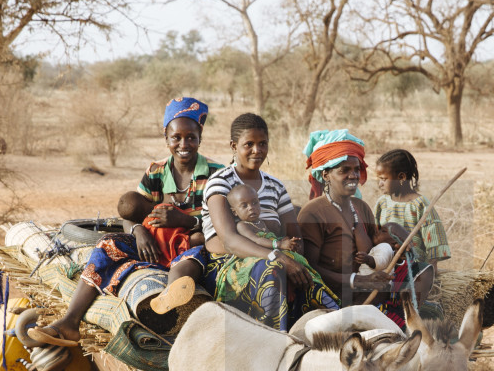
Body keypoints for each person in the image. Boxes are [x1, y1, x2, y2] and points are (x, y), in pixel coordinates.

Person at [29, 97, 220, 346]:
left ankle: (167, 305)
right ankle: (70, 321)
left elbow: (219, 224)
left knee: (196, 248)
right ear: (166, 137)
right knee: (108, 243)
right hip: (151, 245)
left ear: (200, 136)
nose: (184, 144)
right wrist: (139, 230)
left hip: (191, 243)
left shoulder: (217, 174)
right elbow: (130, 213)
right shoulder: (156, 172)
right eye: (176, 137)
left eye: (191, 137)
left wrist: (185, 220)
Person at [158, 113, 338, 331]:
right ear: (234, 146)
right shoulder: (221, 182)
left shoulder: (276, 186)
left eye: (263, 144)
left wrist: (292, 252)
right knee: (271, 271)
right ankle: (272, 341)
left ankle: (338, 329)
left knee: (310, 281)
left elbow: (294, 235)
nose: (257, 150)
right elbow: (230, 241)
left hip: (276, 256)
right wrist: (278, 256)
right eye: (249, 144)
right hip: (228, 263)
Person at [296, 129, 414, 327]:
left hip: (371, 297)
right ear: (326, 174)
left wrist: (398, 251)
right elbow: (310, 269)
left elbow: (375, 249)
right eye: (344, 170)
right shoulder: (313, 213)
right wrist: (357, 281)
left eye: (356, 169)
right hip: (332, 301)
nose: (353, 176)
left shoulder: (361, 208)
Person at [372, 148, 450, 295]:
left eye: (383, 179)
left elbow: (434, 240)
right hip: (386, 262)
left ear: (401, 177)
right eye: (378, 179)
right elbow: (375, 232)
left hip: (412, 264)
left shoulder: (420, 204)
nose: (379, 184)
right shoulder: (382, 203)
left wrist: (430, 271)